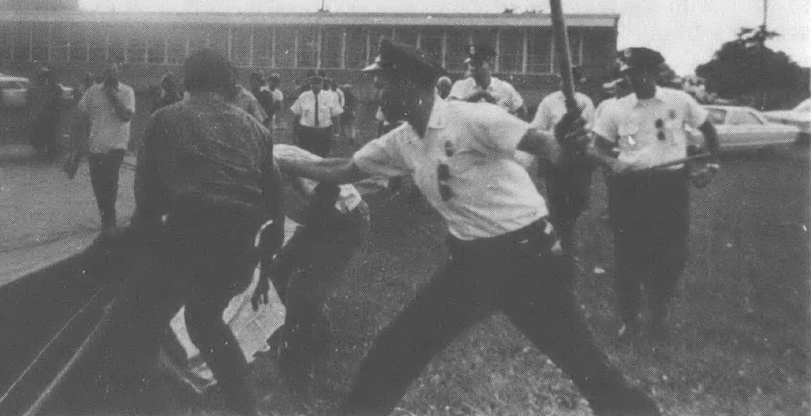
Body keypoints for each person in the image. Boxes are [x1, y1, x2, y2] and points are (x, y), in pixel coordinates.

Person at [277, 39, 661, 416]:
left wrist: (568, 142)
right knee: (399, 346)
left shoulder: (472, 119)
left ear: (409, 84)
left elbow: (548, 146)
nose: (376, 94)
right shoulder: (402, 140)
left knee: (583, 363)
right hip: (473, 265)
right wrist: (288, 162)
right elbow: (344, 169)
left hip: (531, 259)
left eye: (382, 84)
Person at [117, 49, 284, 415]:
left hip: (190, 235)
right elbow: (275, 195)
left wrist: (140, 241)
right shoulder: (256, 128)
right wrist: (267, 253)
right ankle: (245, 408)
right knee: (204, 320)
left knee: (141, 320)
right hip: (240, 243)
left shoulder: (163, 119)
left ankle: (151, 404)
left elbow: (146, 198)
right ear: (228, 85)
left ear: (187, 83)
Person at [590, 47, 720, 342]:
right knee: (627, 256)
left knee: (670, 256)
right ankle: (629, 320)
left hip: (670, 188)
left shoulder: (680, 100)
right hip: (630, 189)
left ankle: (658, 317)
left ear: (652, 72)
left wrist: (712, 164)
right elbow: (596, 148)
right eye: (626, 74)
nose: (630, 79)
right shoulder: (615, 109)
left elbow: (710, 132)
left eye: (635, 72)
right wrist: (613, 163)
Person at [265, 143, 370, 386]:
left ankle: (296, 367)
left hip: (345, 219)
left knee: (302, 290)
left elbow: (323, 199)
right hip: (323, 213)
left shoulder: (279, 160)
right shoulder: (270, 155)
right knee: (280, 271)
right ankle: (317, 327)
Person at [530, 67, 597, 251]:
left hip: (578, 159)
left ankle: (563, 228)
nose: (565, 84)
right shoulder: (549, 102)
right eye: (562, 80)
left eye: (570, 81)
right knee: (557, 201)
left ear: (577, 83)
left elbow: (592, 130)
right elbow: (537, 128)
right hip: (555, 159)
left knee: (579, 200)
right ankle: (560, 240)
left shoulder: (586, 102)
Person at [72, 63, 135, 232]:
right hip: (96, 146)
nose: (110, 74)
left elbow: (125, 117)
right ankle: (106, 218)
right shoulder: (92, 92)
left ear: (119, 72)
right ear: (103, 72)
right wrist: (79, 142)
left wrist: (111, 96)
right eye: (107, 70)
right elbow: (81, 113)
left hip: (116, 145)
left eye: (113, 70)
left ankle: (109, 222)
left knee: (110, 181)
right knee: (98, 184)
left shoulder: (127, 92)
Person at [449, 44, 527, 118]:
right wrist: (473, 97)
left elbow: (522, 112)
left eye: (478, 63)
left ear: (490, 63)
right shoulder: (461, 86)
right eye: (471, 64)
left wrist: (505, 119)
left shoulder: (504, 88)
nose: (473, 68)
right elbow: (449, 109)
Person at [290, 74, 342, 157]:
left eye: (318, 84)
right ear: (310, 85)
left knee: (322, 156)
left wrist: (336, 134)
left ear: (322, 85)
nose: (315, 86)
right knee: (305, 156)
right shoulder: (304, 96)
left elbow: (335, 116)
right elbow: (297, 115)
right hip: (307, 131)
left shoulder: (329, 96)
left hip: (323, 131)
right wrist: (294, 134)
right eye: (313, 84)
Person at [30, 68, 62, 157]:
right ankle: (46, 149)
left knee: (48, 133)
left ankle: (48, 149)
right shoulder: (50, 88)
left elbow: (56, 100)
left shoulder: (53, 88)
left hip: (47, 114)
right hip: (44, 114)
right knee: (44, 133)